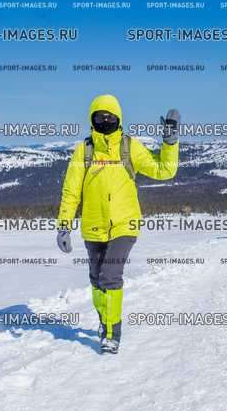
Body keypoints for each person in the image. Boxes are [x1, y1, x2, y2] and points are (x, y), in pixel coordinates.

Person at [56, 94, 179, 354]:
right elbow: (71, 191)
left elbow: (163, 170)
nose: (104, 121)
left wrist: (169, 143)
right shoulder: (84, 150)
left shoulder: (128, 146)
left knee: (110, 276)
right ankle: (105, 322)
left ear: (118, 118)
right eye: (99, 117)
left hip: (125, 223)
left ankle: (112, 334)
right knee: (96, 279)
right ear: (91, 119)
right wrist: (64, 226)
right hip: (93, 225)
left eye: (109, 117)